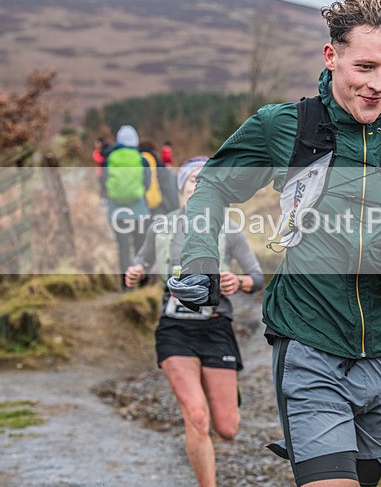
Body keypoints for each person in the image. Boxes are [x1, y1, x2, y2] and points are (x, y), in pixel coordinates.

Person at [170, 0, 381, 486]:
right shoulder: (285, 127)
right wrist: (201, 259)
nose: (378, 85)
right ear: (331, 57)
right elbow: (211, 187)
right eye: (365, 67)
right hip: (309, 345)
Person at [125, 156, 264, 487]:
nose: (199, 185)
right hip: (175, 330)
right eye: (193, 180)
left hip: (216, 328)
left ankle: (225, 393)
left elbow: (257, 278)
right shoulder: (161, 227)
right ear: (183, 187)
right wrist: (135, 272)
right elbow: (141, 260)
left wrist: (239, 283)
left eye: (207, 180)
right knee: (197, 417)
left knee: (227, 428)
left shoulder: (228, 228)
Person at [102, 124, 151, 289]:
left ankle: (125, 284)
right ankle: (143, 284)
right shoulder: (141, 159)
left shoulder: (110, 159)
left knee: (123, 247)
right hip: (139, 211)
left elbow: (104, 183)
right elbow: (148, 183)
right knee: (141, 247)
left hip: (117, 212)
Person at [138, 138, 180, 217]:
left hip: (138, 210)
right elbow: (171, 191)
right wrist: (176, 212)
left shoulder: (134, 164)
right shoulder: (161, 168)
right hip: (158, 208)